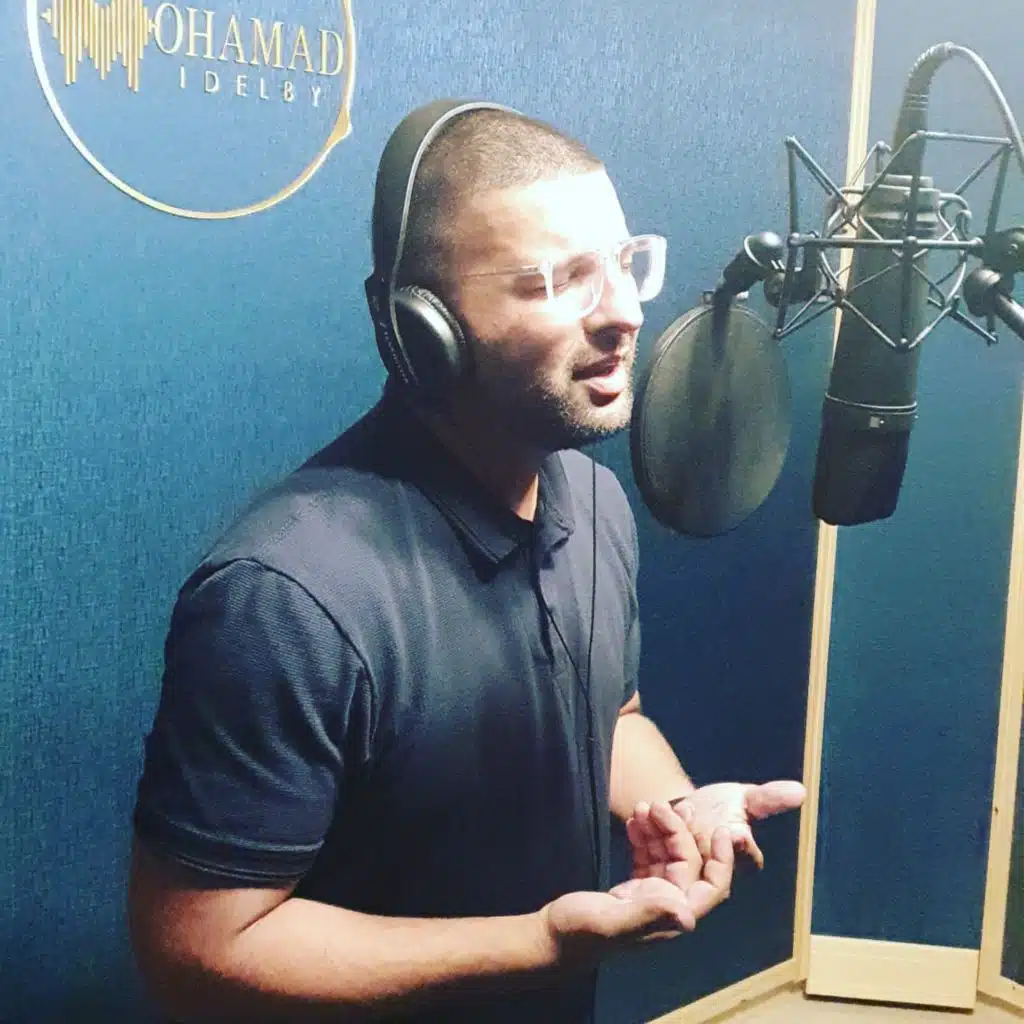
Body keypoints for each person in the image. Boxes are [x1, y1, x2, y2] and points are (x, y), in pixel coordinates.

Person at [127, 100, 806, 1024]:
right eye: (560, 279)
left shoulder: (594, 503)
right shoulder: (285, 601)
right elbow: (200, 951)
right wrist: (540, 943)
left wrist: (678, 810)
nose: (624, 311)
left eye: (623, 261)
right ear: (425, 331)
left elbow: (612, 717)